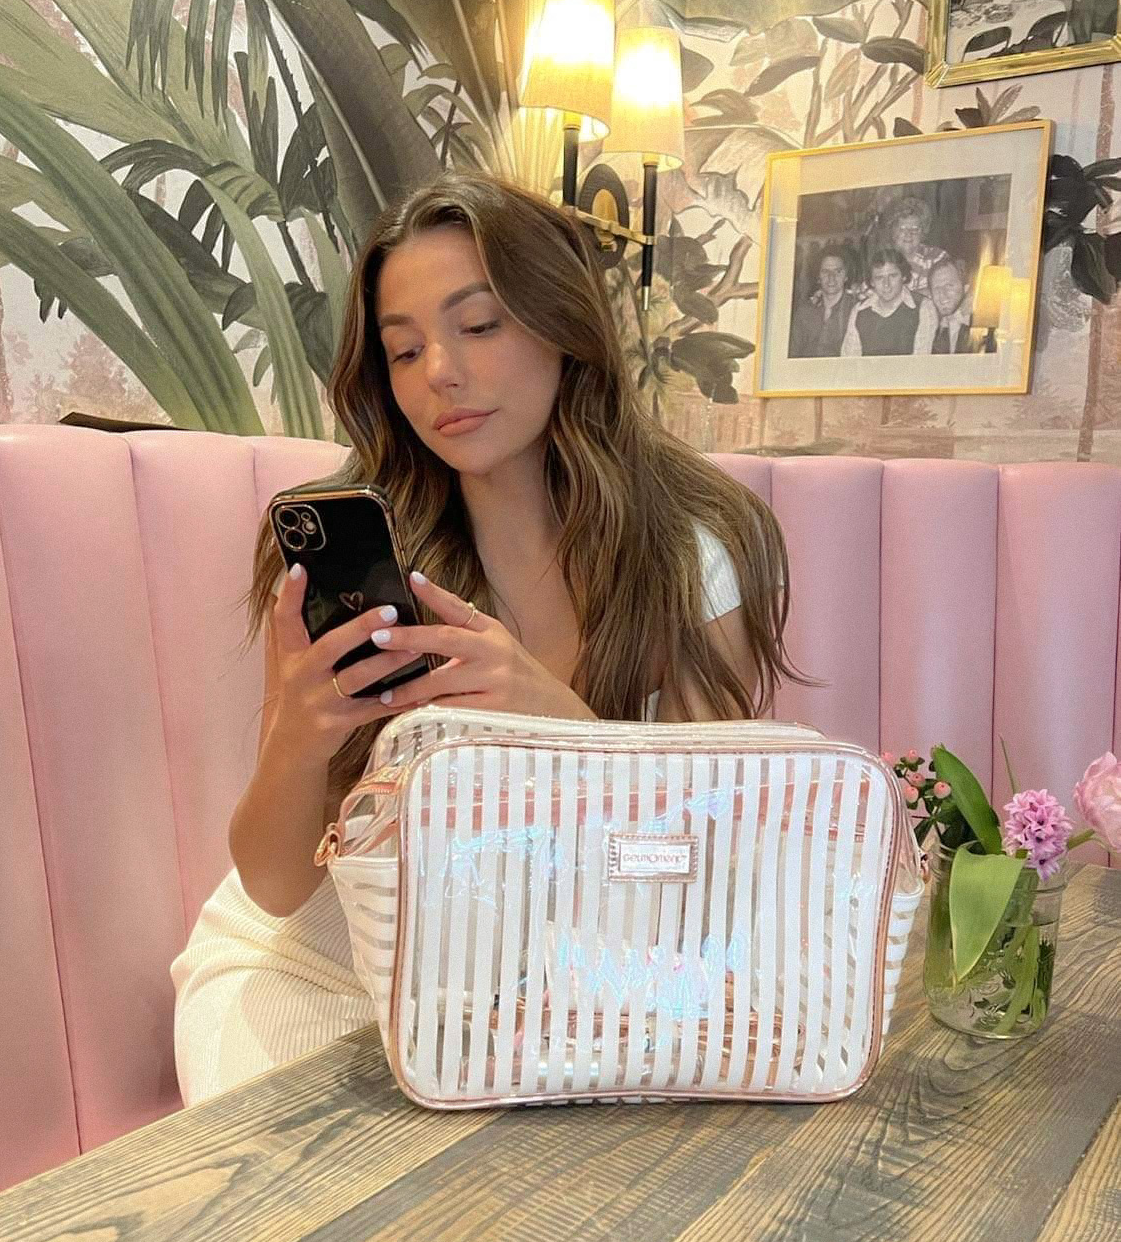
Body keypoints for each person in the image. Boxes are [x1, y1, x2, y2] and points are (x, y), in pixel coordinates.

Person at [171, 172, 798, 1104]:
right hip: (312, 968)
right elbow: (272, 888)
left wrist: (563, 723)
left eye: (479, 325)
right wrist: (298, 740)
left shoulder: (688, 553)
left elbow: (697, 867)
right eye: (404, 349)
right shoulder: (356, 562)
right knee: (317, 1187)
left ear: (562, 327)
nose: (440, 373)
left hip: (547, 985)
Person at [842, 248, 919, 358]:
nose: (886, 284)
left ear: (904, 276)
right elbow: (850, 358)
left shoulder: (922, 308)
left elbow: (922, 360)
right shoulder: (859, 311)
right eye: (879, 278)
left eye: (893, 276)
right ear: (872, 282)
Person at [790, 246, 858, 358]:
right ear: (818, 276)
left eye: (838, 271)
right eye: (825, 271)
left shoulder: (856, 309)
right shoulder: (804, 311)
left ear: (846, 276)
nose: (831, 277)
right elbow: (793, 353)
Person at [913, 256, 983, 356]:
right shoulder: (935, 325)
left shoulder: (980, 323)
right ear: (930, 294)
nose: (942, 294)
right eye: (937, 288)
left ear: (965, 288)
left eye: (949, 286)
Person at [887, 198, 946, 298]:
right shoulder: (883, 259)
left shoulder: (937, 257)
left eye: (915, 229)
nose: (908, 234)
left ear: (923, 232)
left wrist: (903, 297)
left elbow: (948, 288)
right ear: (893, 232)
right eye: (902, 229)